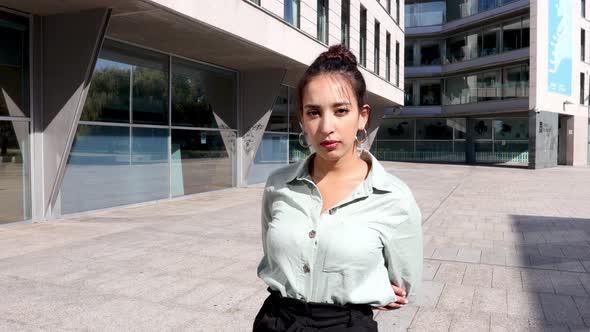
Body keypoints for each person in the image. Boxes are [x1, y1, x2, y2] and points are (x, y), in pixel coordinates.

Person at [253, 45, 423, 332]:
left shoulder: (394, 197)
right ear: (303, 121)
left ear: (363, 116)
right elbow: (274, 259)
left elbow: (403, 284)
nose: (327, 127)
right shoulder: (278, 185)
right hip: (276, 320)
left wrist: (370, 286)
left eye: (341, 110)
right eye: (314, 112)